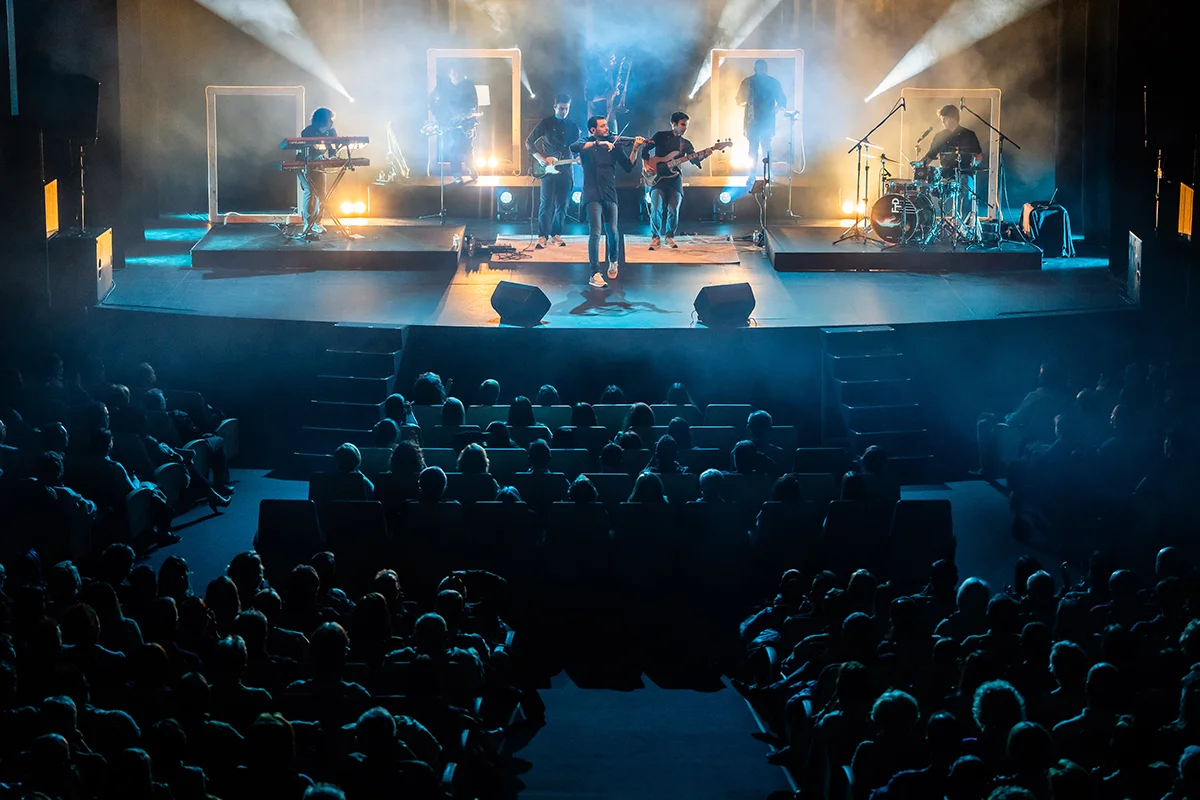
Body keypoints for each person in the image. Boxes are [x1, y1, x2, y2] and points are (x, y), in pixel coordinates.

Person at [570, 117, 647, 288]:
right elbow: (574, 147)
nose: (607, 128)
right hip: (591, 193)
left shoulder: (615, 144)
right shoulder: (587, 143)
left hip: (609, 192)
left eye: (606, 125)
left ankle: (613, 261)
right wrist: (599, 144)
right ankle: (594, 273)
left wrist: (635, 148)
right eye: (602, 126)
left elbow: (628, 166)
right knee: (595, 233)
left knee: (612, 231)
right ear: (592, 130)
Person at [641, 112, 703, 250]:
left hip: (675, 180)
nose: (685, 128)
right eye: (682, 124)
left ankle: (669, 236)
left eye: (686, 125)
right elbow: (645, 150)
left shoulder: (685, 144)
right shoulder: (660, 136)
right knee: (656, 207)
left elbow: (694, 159)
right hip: (658, 179)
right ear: (673, 124)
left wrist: (706, 153)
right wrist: (646, 165)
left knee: (673, 209)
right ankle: (655, 237)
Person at [526, 93, 580, 249]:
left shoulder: (573, 126)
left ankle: (556, 235)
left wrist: (579, 156)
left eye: (567, 109)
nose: (564, 111)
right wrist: (541, 158)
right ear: (555, 106)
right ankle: (542, 236)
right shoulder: (546, 123)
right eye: (561, 108)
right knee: (546, 204)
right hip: (548, 169)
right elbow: (529, 141)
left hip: (566, 169)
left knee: (562, 205)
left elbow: (577, 146)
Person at [916, 104, 983, 219]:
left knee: (965, 192)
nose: (942, 122)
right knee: (944, 197)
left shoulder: (969, 134)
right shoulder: (939, 136)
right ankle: (947, 223)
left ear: (951, 118)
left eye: (943, 119)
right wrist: (919, 165)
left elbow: (979, 155)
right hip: (946, 174)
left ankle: (964, 225)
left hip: (965, 173)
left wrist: (973, 166)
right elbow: (930, 155)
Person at [735, 59, 787, 183]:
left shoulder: (769, 83)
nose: (761, 71)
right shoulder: (748, 83)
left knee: (763, 147)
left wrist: (774, 110)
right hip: (754, 120)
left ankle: (766, 173)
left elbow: (782, 102)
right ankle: (755, 174)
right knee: (756, 147)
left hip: (764, 120)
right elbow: (739, 101)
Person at [428, 64, 479, 184]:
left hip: (466, 123)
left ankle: (471, 169)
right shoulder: (444, 87)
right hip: (452, 124)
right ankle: (458, 174)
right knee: (455, 148)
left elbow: (474, 103)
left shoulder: (468, 85)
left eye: (458, 73)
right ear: (449, 74)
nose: (456, 75)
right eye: (453, 73)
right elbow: (432, 98)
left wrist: (471, 118)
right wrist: (437, 113)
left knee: (467, 147)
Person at [296, 108, 338, 234]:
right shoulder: (308, 131)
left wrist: (333, 156)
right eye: (330, 119)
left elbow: (333, 149)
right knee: (310, 191)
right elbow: (307, 148)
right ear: (323, 120)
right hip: (304, 164)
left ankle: (317, 222)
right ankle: (308, 223)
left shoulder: (332, 132)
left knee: (321, 193)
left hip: (319, 165)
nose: (332, 122)